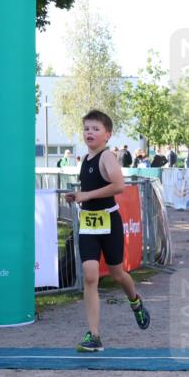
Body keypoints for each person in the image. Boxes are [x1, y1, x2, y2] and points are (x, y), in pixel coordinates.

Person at [64, 110, 151, 352]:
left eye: (95, 129)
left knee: (117, 273)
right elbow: (89, 190)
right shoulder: (86, 158)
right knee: (90, 275)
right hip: (89, 223)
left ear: (107, 135)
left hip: (109, 222)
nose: (89, 132)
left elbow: (119, 186)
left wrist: (86, 195)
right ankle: (94, 336)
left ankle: (135, 301)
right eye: (86, 128)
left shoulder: (107, 157)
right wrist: (78, 198)